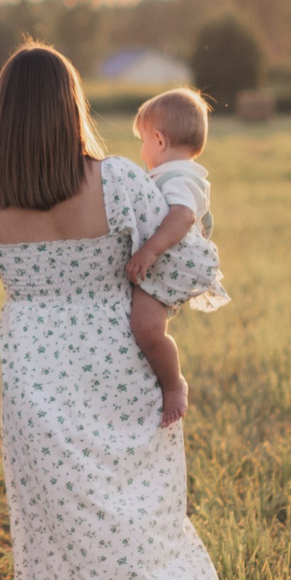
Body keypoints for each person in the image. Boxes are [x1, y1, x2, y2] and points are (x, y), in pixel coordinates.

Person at [0, 44, 226, 580]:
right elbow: (182, 259)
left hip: (36, 366)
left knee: (48, 523)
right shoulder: (117, 180)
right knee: (138, 500)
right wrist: (153, 304)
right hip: (118, 356)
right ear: (74, 107)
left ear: (3, 113)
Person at [121, 87, 229, 426]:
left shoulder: (178, 178)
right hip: (162, 263)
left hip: (166, 266)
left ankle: (173, 384)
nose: (142, 149)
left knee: (147, 329)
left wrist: (149, 250)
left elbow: (182, 217)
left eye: (142, 140)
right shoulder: (175, 174)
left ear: (159, 140)